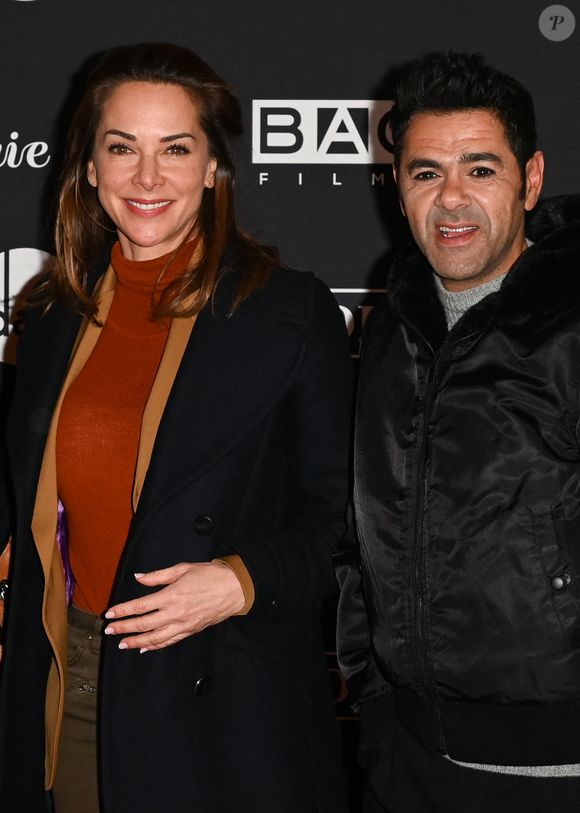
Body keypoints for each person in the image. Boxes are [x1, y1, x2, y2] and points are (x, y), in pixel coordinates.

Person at [0, 42, 352, 813]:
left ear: (213, 169)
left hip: (223, 696)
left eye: (176, 150)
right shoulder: (54, 314)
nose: (148, 178)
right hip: (74, 679)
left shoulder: (289, 313)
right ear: (89, 168)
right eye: (121, 148)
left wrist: (242, 579)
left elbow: (344, 524)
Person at [336, 51, 580, 812]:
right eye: (425, 172)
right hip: (407, 760)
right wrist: (373, 700)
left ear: (531, 179)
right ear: (398, 186)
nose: (452, 200)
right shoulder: (389, 329)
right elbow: (359, 533)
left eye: (480, 169)